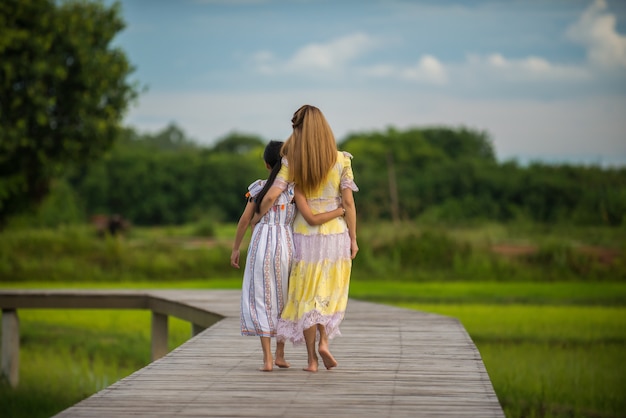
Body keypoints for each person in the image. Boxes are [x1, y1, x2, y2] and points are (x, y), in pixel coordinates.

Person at [255, 105, 359, 372]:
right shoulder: (342, 160)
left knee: (307, 293)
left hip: (304, 235)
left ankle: (312, 360)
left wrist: (257, 215)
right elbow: (348, 202)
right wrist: (354, 238)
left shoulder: (293, 161)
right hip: (336, 233)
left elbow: (272, 194)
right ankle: (325, 342)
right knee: (326, 290)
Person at [231, 140, 344, 372]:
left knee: (262, 297)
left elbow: (245, 220)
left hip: (262, 243)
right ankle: (280, 354)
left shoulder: (259, 189)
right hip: (287, 244)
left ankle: (268, 360)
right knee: (285, 298)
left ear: (266, 164)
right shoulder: (294, 189)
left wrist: (236, 246)